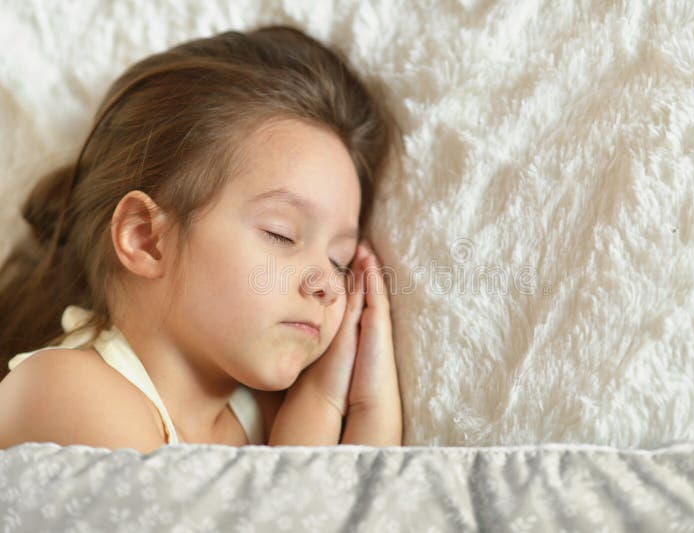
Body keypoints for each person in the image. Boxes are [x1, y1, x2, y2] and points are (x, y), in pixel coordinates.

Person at [0, 25, 403, 452]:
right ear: (146, 239)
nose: (327, 283)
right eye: (281, 235)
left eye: (340, 260)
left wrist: (367, 418)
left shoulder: (267, 413)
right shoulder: (64, 391)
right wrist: (304, 449)